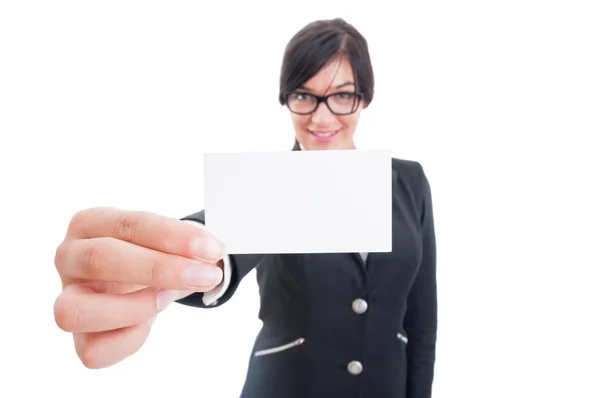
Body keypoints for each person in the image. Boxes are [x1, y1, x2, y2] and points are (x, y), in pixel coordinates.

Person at [53, 18, 437, 398]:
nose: (321, 117)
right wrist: (160, 263)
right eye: (304, 96)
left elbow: (422, 318)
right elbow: (222, 236)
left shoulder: (410, 182)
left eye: (341, 95)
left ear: (364, 98)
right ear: (286, 99)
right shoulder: (272, 184)